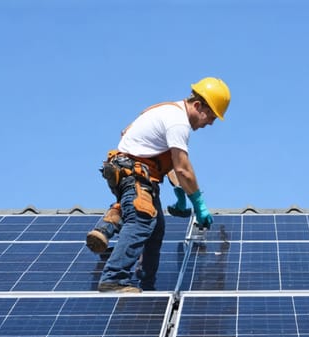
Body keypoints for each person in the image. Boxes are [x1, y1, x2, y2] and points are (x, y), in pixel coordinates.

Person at [93, 77, 230, 293]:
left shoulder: (166, 110)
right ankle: (114, 278)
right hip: (135, 175)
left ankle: (143, 282)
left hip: (132, 173)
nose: (210, 123)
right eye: (211, 116)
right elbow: (183, 168)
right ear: (197, 105)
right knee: (142, 218)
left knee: (156, 228)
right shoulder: (179, 123)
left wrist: (180, 195)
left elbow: (168, 163)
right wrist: (198, 203)